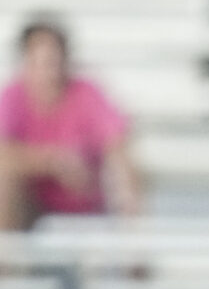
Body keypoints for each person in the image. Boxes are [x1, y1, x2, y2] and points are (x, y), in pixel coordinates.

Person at [0, 17, 139, 232]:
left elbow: (116, 143)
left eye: (54, 62)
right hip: (32, 204)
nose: (49, 72)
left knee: (126, 170)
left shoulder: (86, 93)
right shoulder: (12, 95)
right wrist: (53, 162)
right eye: (41, 62)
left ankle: (133, 246)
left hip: (85, 199)